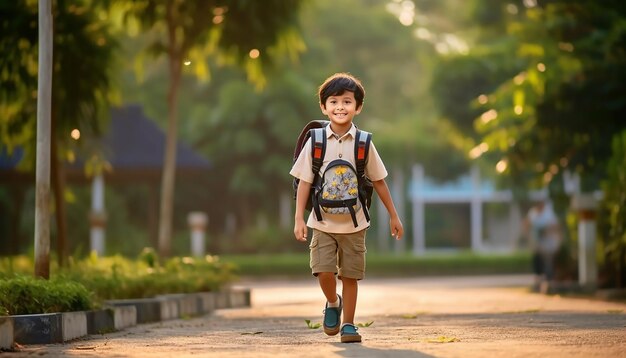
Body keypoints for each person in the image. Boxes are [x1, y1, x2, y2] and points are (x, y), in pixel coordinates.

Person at [290, 73, 404, 343]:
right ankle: (332, 301)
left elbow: (379, 181)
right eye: (334, 101)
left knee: (350, 275)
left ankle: (349, 325)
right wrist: (298, 219)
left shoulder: (364, 142)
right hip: (321, 221)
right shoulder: (316, 141)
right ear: (323, 107)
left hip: (355, 223)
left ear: (358, 106)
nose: (340, 107)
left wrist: (394, 216)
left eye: (347, 101)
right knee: (324, 270)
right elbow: (304, 182)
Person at [523, 198, 562, 294]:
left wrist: (547, 231)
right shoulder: (532, 213)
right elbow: (527, 224)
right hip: (537, 243)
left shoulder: (549, 213)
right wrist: (529, 236)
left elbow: (555, 226)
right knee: (537, 261)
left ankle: (548, 284)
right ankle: (538, 283)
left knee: (548, 263)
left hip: (548, 244)